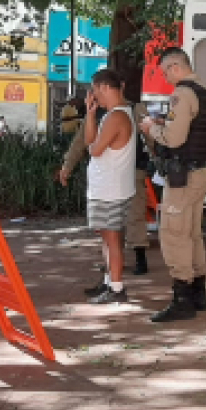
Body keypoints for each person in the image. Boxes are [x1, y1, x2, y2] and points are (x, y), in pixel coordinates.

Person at [140, 47, 206, 322]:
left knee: (174, 235)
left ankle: (182, 299)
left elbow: (173, 140)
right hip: (200, 173)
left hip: (182, 178)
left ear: (175, 66)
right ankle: (199, 294)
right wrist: (167, 125)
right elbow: (194, 131)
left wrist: (152, 127)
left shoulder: (182, 94)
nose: (165, 78)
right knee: (192, 235)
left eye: (165, 72)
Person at [60, 95, 153, 284]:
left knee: (132, 216)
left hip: (132, 170)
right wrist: (67, 165)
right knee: (111, 224)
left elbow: (149, 136)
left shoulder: (133, 109)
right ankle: (117, 267)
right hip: (112, 173)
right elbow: (81, 141)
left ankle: (137, 259)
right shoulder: (100, 112)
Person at [82, 70, 138, 305]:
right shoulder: (113, 115)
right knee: (107, 238)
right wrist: (91, 115)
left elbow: (94, 149)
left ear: (104, 87)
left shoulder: (117, 117)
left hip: (111, 189)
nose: (94, 96)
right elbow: (89, 142)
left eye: (94, 91)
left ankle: (116, 288)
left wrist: (94, 136)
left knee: (112, 239)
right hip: (109, 187)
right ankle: (109, 281)